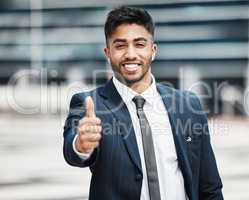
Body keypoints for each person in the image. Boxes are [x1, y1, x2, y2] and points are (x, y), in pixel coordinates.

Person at [63, 6, 223, 200]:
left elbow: (209, 186)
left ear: (153, 50)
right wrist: (81, 145)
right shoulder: (89, 104)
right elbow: (72, 152)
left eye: (139, 44)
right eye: (120, 45)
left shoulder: (187, 105)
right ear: (107, 52)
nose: (130, 54)